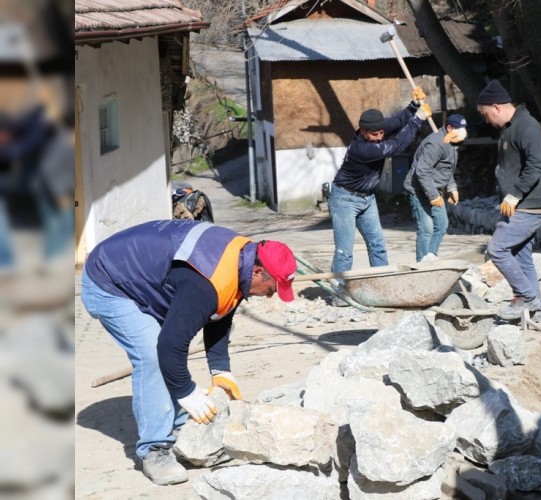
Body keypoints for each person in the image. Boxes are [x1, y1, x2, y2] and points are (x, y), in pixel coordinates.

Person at [80, 220, 298, 485]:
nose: (271, 296)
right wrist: (187, 392)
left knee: (169, 351)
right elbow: (170, 346)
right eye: (273, 288)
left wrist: (221, 370)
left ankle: (180, 428)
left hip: (145, 277)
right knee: (153, 356)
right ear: (257, 272)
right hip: (109, 281)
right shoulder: (206, 280)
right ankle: (154, 449)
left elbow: (220, 312)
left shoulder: (243, 259)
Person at [329, 87, 432, 274]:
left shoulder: (377, 130)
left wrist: (413, 106)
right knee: (344, 252)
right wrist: (417, 120)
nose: (379, 138)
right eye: (374, 135)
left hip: (367, 198)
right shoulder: (363, 149)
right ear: (362, 131)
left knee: (378, 244)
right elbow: (396, 145)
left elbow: (397, 122)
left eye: (381, 133)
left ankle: (382, 283)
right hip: (344, 199)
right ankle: (339, 292)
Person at [477, 80, 541, 323]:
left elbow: (537, 165)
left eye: (486, 114)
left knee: (497, 249)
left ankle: (525, 296)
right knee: (521, 257)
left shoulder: (527, 126)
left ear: (496, 107)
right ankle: (539, 311)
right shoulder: (510, 127)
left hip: (529, 206)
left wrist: (515, 194)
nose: (487, 120)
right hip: (520, 205)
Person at [404, 114, 468, 261]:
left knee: (442, 224)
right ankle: (422, 264)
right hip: (418, 189)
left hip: (433, 188)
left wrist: (452, 188)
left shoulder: (451, 142)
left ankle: (431, 257)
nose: (462, 133)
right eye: (459, 129)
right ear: (449, 128)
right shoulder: (435, 144)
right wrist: (433, 195)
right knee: (426, 229)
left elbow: (445, 169)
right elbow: (422, 171)